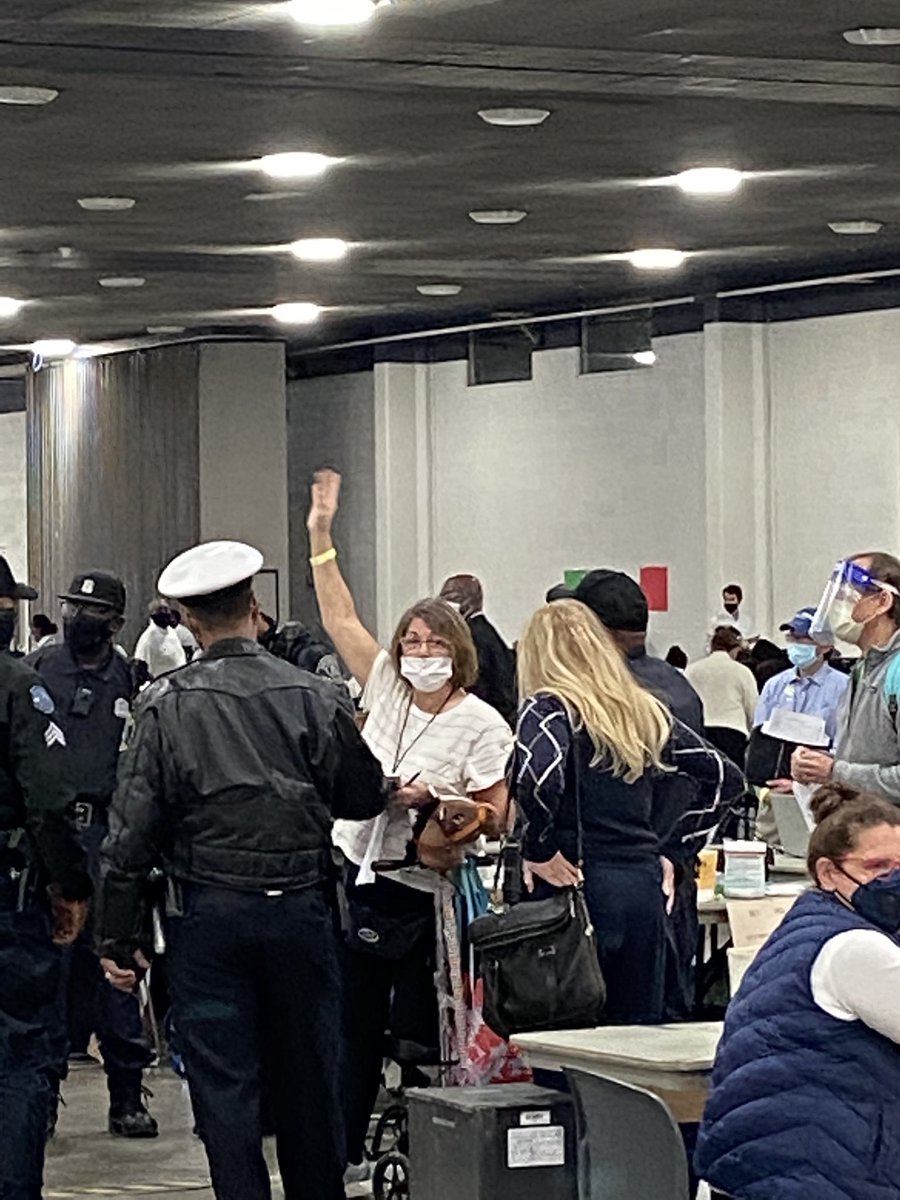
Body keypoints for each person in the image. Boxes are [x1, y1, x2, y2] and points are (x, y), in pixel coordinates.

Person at [97, 539, 387, 1200]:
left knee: (225, 1090)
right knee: (311, 1080)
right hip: (303, 913)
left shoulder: (163, 705)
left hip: (208, 917)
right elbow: (362, 796)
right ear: (255, 607)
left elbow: (130, 831)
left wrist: (119, 937)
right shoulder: (316, 694)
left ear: (188, 621)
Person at [306, 469, 513, 1182]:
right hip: (355, 872)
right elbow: (339, 618)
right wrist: (320, 534)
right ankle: (343, 1151)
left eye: (433, 643)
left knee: (427, 1030)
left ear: (457, 652)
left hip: (425, 891)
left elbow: (495, 814)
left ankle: (433, 1144)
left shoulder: (482, 723)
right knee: (349, 1028)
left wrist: (443, 804)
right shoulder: (387, 686)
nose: (420, 653)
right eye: (411, 640)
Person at [513, 601, 744, 1025]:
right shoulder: (645, 712)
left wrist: (538, 846)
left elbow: (538, 778)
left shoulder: (547, 709)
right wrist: (674, 847)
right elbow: (725, 778)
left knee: (565, 1041)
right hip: (642, 888)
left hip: (572, 888)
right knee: (635, 1040)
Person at [696, 782, 900, 1200]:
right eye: (878, 867)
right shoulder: (853, 948)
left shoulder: (806, 928)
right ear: (828, 873)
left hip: (757, 1172)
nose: (893, 881)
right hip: (814, 1177)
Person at [28, 571, 156, 1137]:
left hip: (111, 838)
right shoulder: (39, 668)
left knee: (116, 966)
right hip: (51, 837)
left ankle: (126, 1093)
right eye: (72, 606)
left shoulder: (131, 680)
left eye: (92, 610)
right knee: (48, 972)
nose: (79, 616)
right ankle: (43, 1094)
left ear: (116, 622)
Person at [566, 568, 709, 1019]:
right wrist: (678, 846)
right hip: (662, 872)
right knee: (656, 1014)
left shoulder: (611, 699)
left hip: (614, 875)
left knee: (603, 1020)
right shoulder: (677, 687)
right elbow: (715, 780)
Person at [0, 556, 92, 1199]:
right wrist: (72, 886)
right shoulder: (17, 687)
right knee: (18, 1056)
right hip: (9, 902)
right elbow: (50, 802)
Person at [793, 554, 900, 805]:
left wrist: (836, 772)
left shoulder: (894, 673)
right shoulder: (862, 670)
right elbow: (865, 758)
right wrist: (818, 764)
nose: (836, 607)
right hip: (863, 829)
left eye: (847, 596)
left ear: (882, 601)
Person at [755, 606, 849, 771]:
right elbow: (760, 738)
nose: (795, 644)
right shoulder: (774, 685)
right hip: (775, 778)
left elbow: (845, 745)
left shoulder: (844, 687)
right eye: (792, 638)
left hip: (822, 779)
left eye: (803, 639)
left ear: (826, 646)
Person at [439, 574, 517, 726]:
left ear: (469, 599)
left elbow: (476, 684)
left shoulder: (473, 636)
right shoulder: (482, 631)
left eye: (451, 597)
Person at [686, 626, 757, 766]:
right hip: (732, 735)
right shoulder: (742, 671)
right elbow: (753, 709)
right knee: (732, 783)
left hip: (700, 735)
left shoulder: (692, 670)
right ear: (735, 649)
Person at [133, 599, 187, 679]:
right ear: (154, 615)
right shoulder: (148, 638)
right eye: (161, 611)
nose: (166, 613)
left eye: (167, 610)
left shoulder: (171, 632)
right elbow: (142, 667)